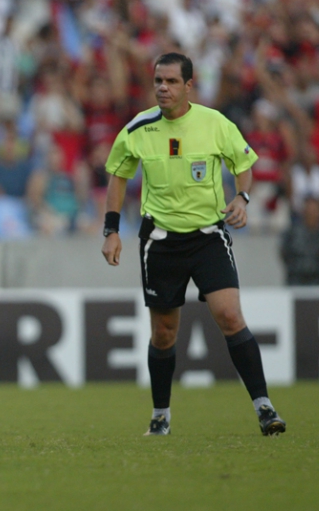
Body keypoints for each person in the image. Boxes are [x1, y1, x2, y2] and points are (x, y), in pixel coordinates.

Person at [100, 52, 286, 437]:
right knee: (164, 332)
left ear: (189, 86)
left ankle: (265, 407)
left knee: (230, 316)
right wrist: (111, 230)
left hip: (207, 237)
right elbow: (118, 176)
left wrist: (242, 199)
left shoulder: (214, 123)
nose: (162, 88)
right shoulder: (138, 129)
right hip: (161, 242)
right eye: (157, 81)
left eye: (170, 81)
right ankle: (161, 415)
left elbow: (243, 165)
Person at [280, 197, 319, 286]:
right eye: (309, 211)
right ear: (303, 212)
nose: (311, 214)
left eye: (314, 211)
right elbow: (285, 254)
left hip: (318, 282)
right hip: (295, 281)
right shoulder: (291, 234)